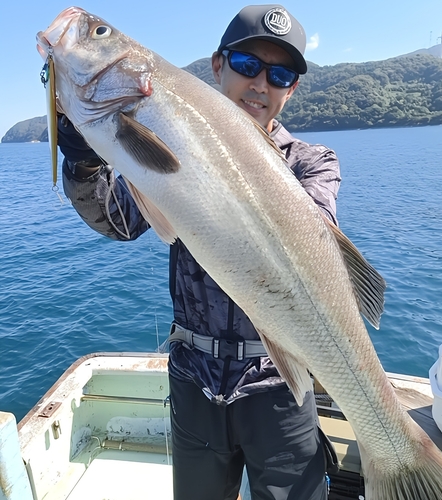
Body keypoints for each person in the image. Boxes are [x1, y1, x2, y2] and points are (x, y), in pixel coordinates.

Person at [58, 5, 341, 499]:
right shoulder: (171, 134)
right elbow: (119, 221)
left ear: (291, 88)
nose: (260, 85)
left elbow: (318, 241)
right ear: (217, 66)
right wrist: (82, 155)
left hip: (280, 387)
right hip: (194, 380)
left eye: (279, 75)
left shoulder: (312, 162)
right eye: (248, 66)